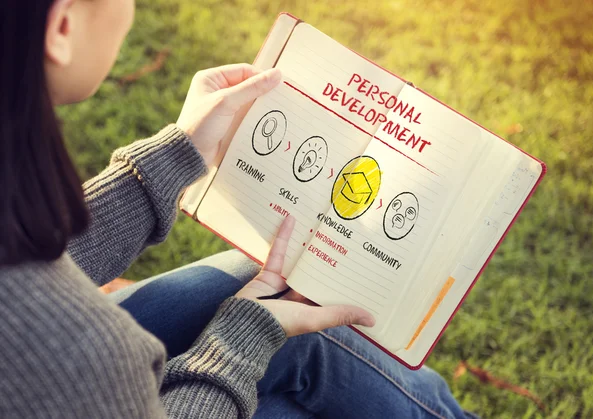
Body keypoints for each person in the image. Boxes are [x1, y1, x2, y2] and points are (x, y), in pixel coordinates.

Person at [0, 0, 475, 418]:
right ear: (62, 27)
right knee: (296, 347)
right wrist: (239, 340)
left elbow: (22, 257)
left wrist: (173, 158)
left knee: (252, 285)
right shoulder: (82, 350)